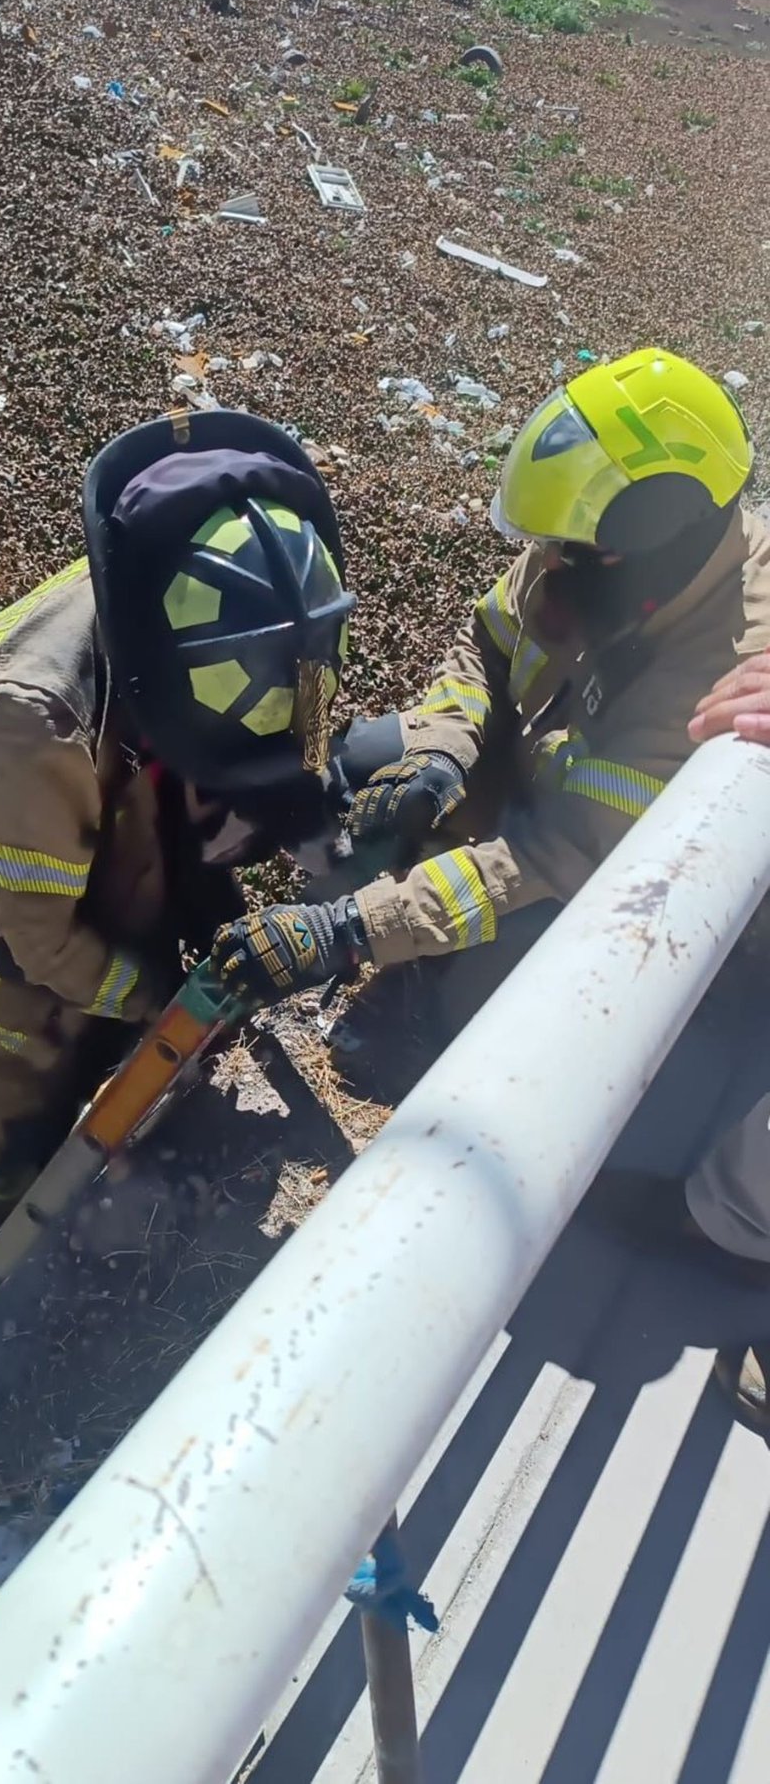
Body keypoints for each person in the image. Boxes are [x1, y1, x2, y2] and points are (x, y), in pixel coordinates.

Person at [211, 348, 770, 1426]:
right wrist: (439, 753)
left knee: (510, 976)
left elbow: (556, 858)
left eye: (567, 560)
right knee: (368, 760)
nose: (543, 576)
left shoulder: (722, 682)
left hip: (642, 891)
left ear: (645, 549)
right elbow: (484, 650)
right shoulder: (594, 553)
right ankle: (437, 967)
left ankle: (670, 1181)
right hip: (555, 801)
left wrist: (350, 928)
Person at [0, 411, 353, 1224]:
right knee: (25, 1046)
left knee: (128, 927)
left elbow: (273, 748)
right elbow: (33, 937)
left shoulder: (217, 592)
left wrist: (311, 828)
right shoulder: (31, 720)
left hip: (41, 786)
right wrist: (158, 1001)